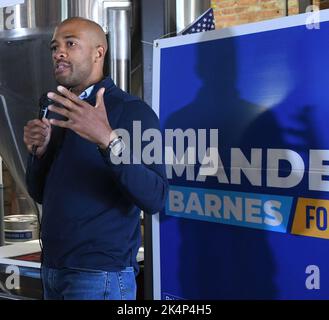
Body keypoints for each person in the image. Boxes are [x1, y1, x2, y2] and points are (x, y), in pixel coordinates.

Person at [23, 17, 168, 300]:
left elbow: (156, 198)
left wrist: (108, 140)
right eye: (55, 47)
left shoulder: (132, 111)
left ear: (98, 52)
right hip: (53, 269)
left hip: (99, 276)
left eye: (70, 44)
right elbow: (39, 193)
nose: (59, 53)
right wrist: (38, 154)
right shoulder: (56, 110)